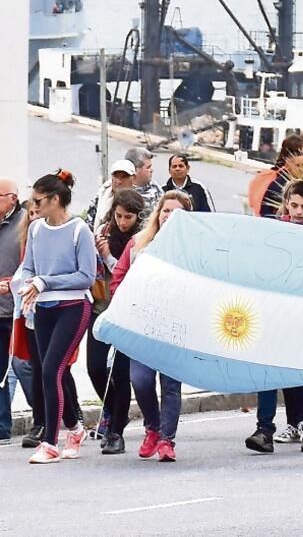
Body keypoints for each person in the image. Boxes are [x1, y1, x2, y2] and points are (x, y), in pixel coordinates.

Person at [20, 170, 97, 464]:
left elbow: (86, 277)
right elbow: (28, 266)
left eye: (39, 200)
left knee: (51, 369)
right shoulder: (37, 229)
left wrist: (45, 282)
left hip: (74, 308)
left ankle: (50, 443)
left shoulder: (80, 230)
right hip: (43, 308)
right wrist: (29, 284)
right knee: (55, 371)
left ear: (55, 199)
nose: (34, 206)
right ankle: (75, 429)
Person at [245, 181, 303, 454]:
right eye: (294, 206)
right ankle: (264, 429)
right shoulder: (275, 230)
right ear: (287, 203)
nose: (299, 211)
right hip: (278, 312)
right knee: (267, 369)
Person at [110, 191, 191, 463]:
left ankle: (167, 440)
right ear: (158, 213)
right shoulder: (138, 245)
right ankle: (152, 427)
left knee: (170, 386)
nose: (170, 216)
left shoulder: (193, 249)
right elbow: (117, 280)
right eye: (166, 210)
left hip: (175, 326)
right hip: (142, 325)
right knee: (141, 380)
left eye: (177, 212)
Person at [88, 188, 145, 455]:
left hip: (127, 313)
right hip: (100, 308)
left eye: (128, 217)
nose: (123, 222)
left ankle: (116, 432)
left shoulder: (141, 240)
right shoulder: (103, 232)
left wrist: (109, 255)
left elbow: (130, 277)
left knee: (121, 374)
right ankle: (111, 409)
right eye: (119, 216)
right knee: (96, 368)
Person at [0, 178, 26, 443]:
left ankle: (46, 418)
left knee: (25, 367)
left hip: (17, 309)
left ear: (12, 199)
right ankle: (2, 426)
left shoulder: (24, 225)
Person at [257, 138, 303, 219]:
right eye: (297, 165)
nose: (302, 169)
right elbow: (265, 211)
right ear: (287, 166)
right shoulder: (276, 185)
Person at [84, 159, 136, 232]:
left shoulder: (139, 201)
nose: (119, 181)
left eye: (124, 177)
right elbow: (89, 223)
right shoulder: (101, 196)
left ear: (133, 178)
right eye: (116, 176)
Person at [124, 147, 164, 221]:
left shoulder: (155, 187)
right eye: (148, 167)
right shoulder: (120, 190)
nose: (152, 170)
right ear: (135, 170)